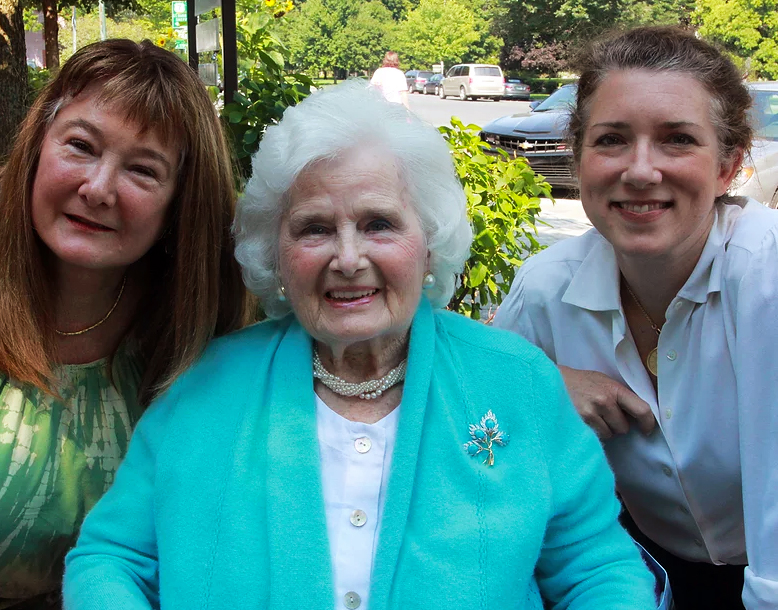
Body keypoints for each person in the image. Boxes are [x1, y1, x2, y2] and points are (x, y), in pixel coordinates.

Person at [63, 81, 658, 610]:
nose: (348, 259)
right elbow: (111, 558)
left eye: (379, 224)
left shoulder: (517, 382)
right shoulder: (206, 386)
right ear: (277, 256)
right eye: (315, 228)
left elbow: (597, 569)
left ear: (429, 242)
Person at [493, 26, 778, 610]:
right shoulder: (546, 290)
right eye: (612, 140)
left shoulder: (767, 281)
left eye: (677, 140)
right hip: (644, 577)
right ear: (578, 158)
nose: (641, 170)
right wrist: (537, 387)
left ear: (729, 166)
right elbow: (478, 435)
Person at [0, 39, 249, 608]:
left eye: (142, 169)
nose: (98, 188)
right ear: (39, 147)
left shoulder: (201, 345)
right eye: (81, 146)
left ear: (179, 207)